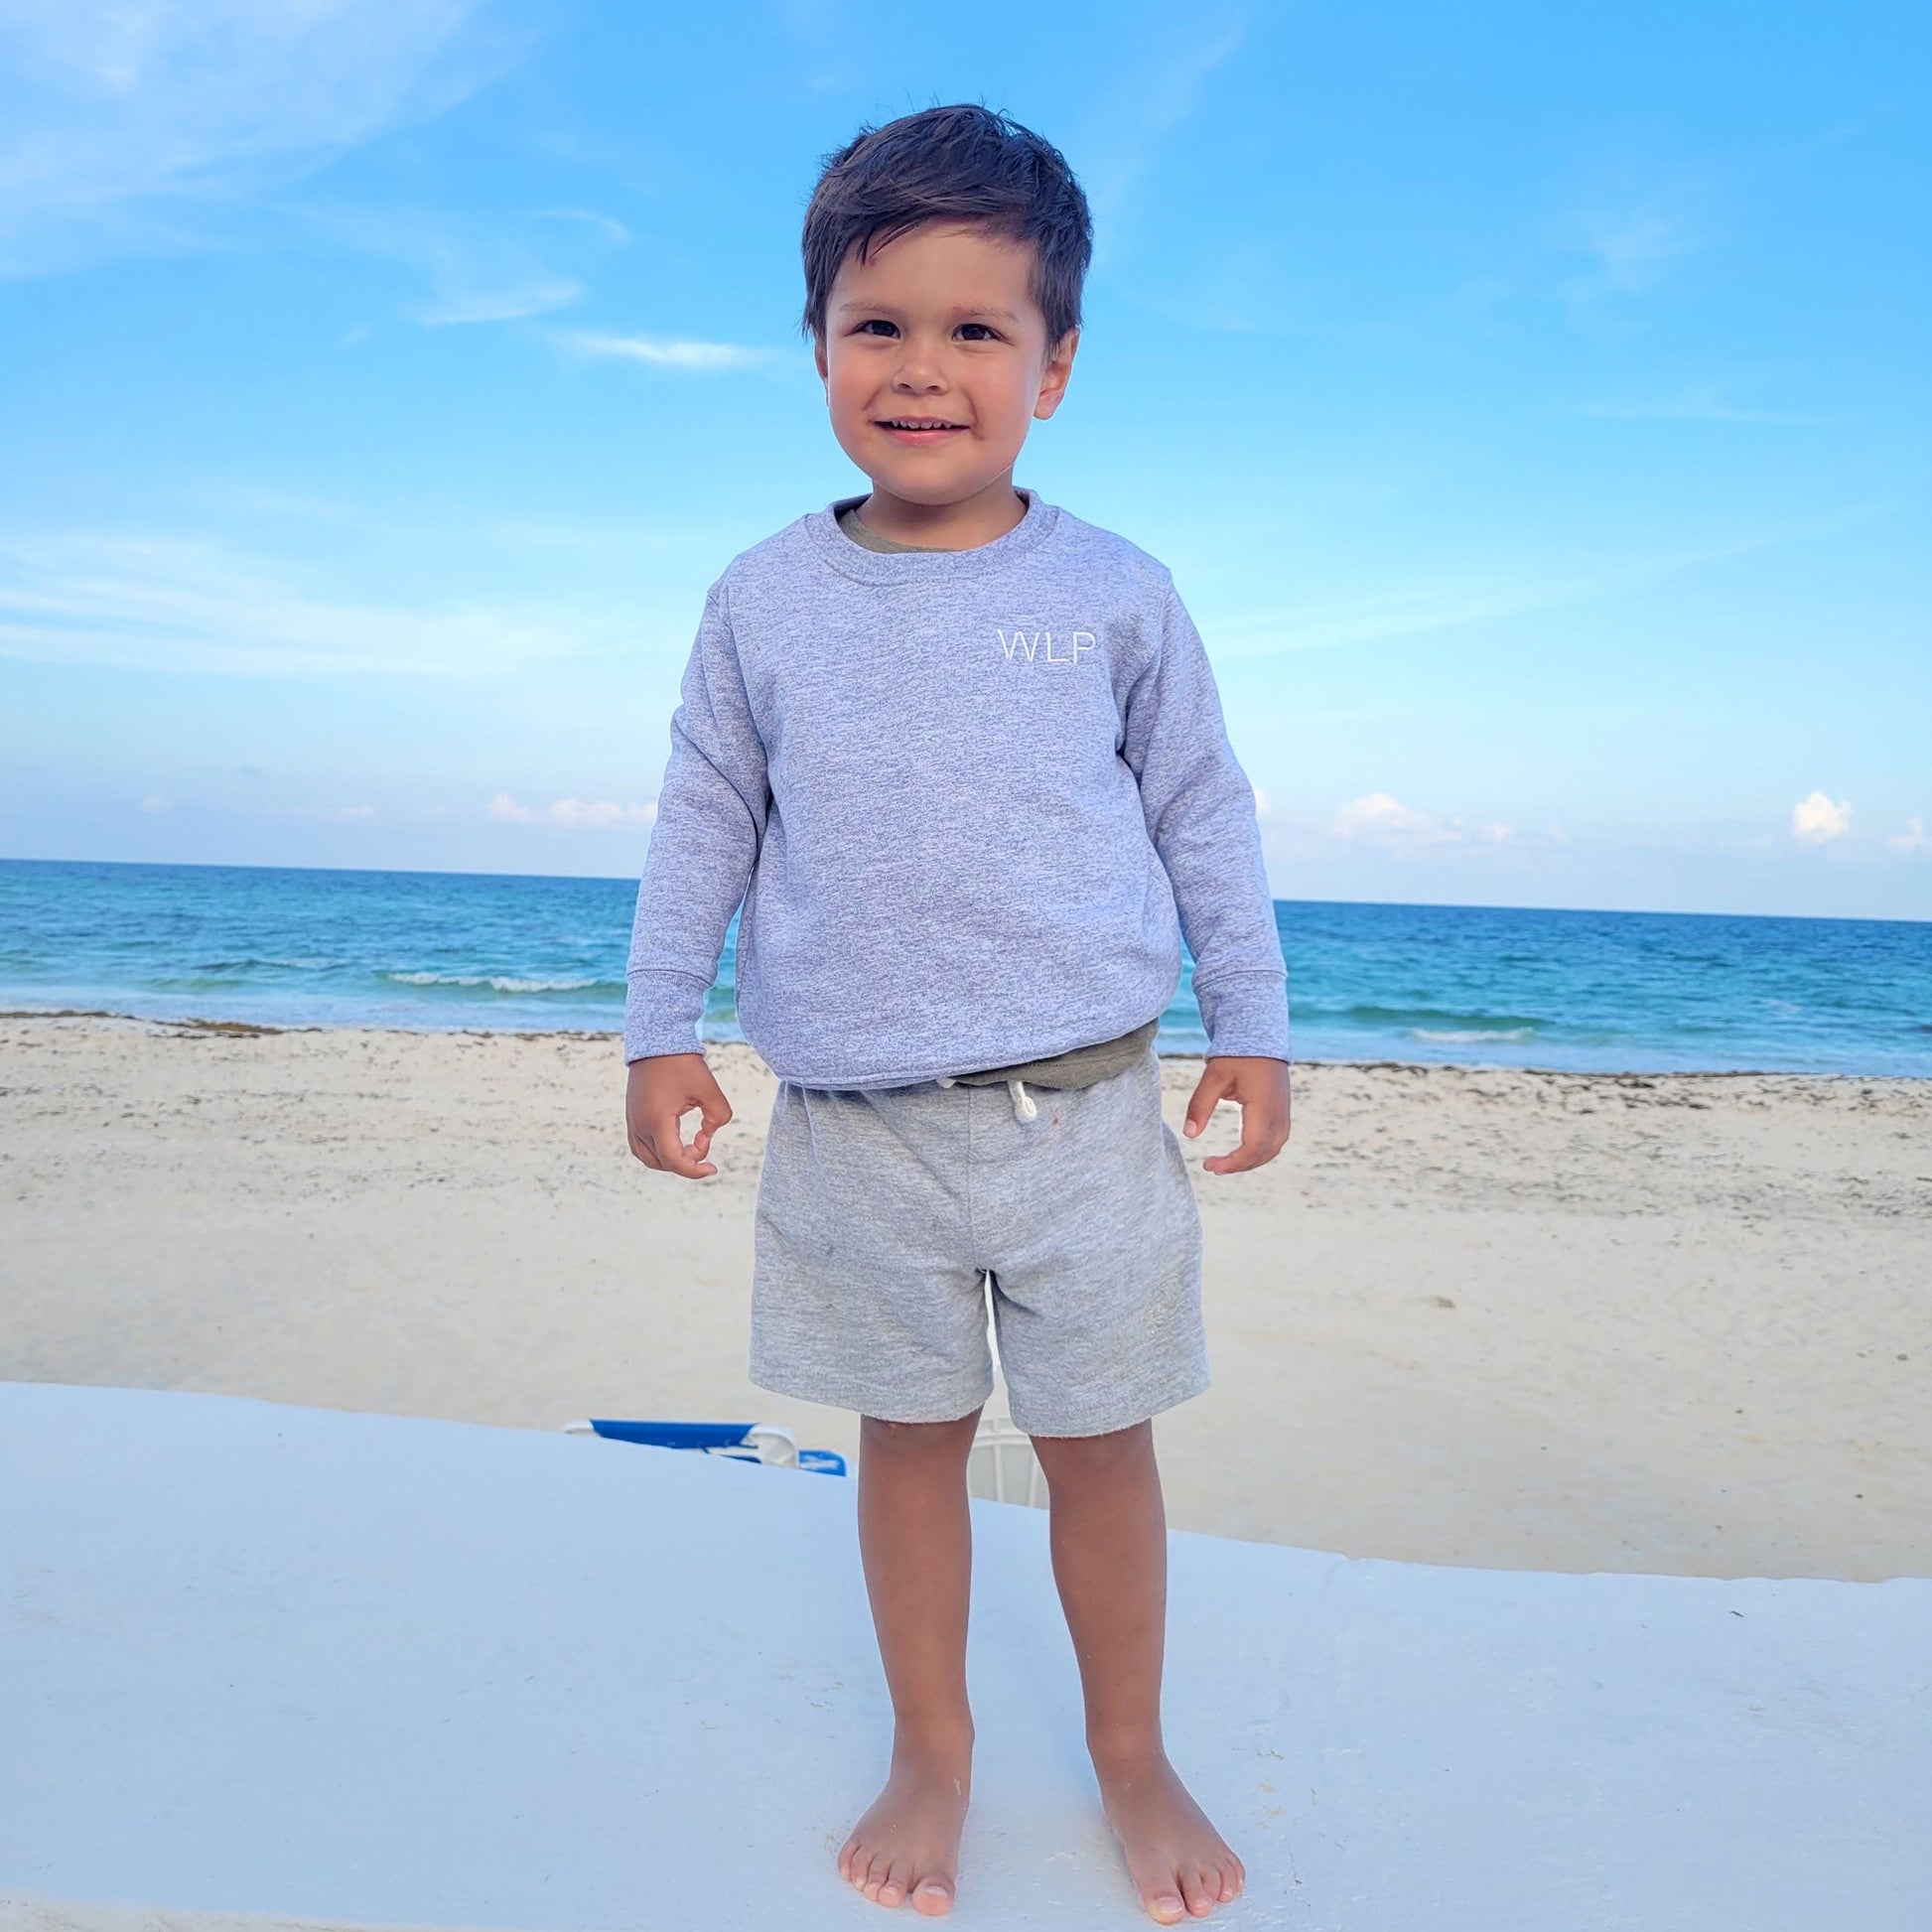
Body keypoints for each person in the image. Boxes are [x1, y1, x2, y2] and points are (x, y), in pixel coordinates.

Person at [622, 103, 1291, 1925]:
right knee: (905, 1438)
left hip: (1088, 1118)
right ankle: (934, 1743)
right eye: (880, 325)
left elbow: (1201, 808)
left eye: (976, 329)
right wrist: (660, 1026)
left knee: (1100, 1443)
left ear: (1053, 368)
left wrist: (1250, 1018)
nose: (923, 368)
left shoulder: (1114, 593)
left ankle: (1130, 1751)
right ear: (819, 349)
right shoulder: (763, 596)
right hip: (858, 1125)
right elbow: (705, 812)